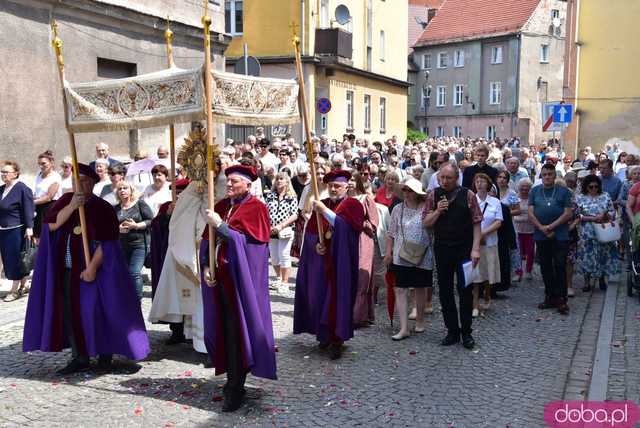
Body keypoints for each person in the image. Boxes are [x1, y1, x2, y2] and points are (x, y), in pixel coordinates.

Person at [23, 163, 149, 374]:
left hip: (96, 271)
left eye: (82, 181)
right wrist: (72, 206)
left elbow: (107, 242)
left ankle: (104, 355)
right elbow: (51, 225)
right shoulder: (65, 201)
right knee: (72, 314)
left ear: (91, 183)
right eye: (74, 180)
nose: (77, 184)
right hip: (68, 270)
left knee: (98, 312)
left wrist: (91, 268)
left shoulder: (102, 207)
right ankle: (79, 356)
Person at [200, 164, 276, 412]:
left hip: (241, 284)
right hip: (219, 280)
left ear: (248, 184)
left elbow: (248, 245)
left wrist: (221, 226)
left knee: (237, 333)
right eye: (227, 181)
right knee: (224, 331)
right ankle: (232, 378)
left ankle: (235, 385)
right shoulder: (221, 205)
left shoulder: (257, 208)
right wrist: (206, 267)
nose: (229, 185)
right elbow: (206, 242)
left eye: (234, 181)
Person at [294, 170, 364, 359]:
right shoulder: (322, 204)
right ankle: (323, 335)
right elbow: (311, 234)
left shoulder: (353, 205)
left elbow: (347, 228)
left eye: (337, 186)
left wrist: (324, 212)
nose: (333, 189)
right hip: (322, 264)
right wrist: (316, 244)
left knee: (338, 299)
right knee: (320, 297)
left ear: (346, 186)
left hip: (341, 264)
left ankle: (337, 340)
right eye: (331, 186)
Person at [424, 163, 482, 349]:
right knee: (445, 290)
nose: (445, 181)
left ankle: (466, 331)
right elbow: (426, 222)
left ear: (456, 178)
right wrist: (438, 211)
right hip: (442, 248)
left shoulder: (468, 195)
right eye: (442, 177)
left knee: (465, 290)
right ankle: (452, 330)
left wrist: (475, 249)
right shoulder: (433, 195)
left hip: (464, 249)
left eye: (449, 178)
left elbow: (476, 223)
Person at [384, 177, 433, 340]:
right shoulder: (398, 209)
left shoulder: (426, 208)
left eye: (410, 190)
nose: (406, 193)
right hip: (401, 254)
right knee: (400, 289)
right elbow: (390, 233)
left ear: (417, 193)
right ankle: (404, 327)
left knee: (420, 288)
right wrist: (389, 253)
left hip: (422, 254)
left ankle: (420, 320)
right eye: (404, 190)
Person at [527, 164, 573, 314]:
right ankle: (550, 296)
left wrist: (551, 226)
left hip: (560, 234)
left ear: (555, 176)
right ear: (541, 176)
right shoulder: (535, 191)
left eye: (550, 174)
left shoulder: (564, 191)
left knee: (560, 265)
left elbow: (567, 213)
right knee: (545, 266)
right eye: (545, 174)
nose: (547, 177)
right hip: (541, 234)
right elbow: (530, 213)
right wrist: (542, 228)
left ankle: (561, 299)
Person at [575, 175, 619, 291]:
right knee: (587, 256)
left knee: (603, 255)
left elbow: (612, 212)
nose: (594, 188)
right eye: (591, 186)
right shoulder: (580, 198)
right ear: (586, 187)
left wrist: (605, 215)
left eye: (596, 186)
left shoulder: (605, 196)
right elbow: (576, 215)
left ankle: (602, 279)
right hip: (587, 232)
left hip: (603, 230)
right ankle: (586, 282)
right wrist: (591, 218)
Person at [0, 161, 34, 302]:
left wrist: (29, 227)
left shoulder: (22, 189)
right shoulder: (1, 189)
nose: (3, 175)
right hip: (3, 229)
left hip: (16, 230)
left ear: (15, 174)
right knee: (9, 260)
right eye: (2, 172)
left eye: (6, 172)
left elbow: (28, 209)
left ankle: (14, 291)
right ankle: (23, 286)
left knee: (15, 260)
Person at [114, 181, 154, 300]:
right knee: (124, 273)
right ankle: (126, 299)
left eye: (125, 188)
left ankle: (137, 299)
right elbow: (110, 226)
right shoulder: (115, 208)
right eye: (120, 189)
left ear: (131, 190)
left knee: (134, 272)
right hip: (122, 245)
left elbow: (150, 221)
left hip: (139, 245)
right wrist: (118, 229)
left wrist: (136, 226)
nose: (122, 190)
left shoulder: (140, 204)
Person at [149, 179, 189, 299]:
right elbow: (156, 226)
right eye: (176, 193)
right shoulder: (167, 206)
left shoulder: (193, 206)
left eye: (181, 192)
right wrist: (167, 215)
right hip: (168, 248)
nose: (178, 195)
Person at [470, 174, 503, 317]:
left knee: (488, 272)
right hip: (475, 243)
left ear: (488, 184)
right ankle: (475, 303)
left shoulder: (495, 202)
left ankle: (487, 295)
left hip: (490, 242)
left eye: (482, 181)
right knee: (476, 274)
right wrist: (477, 235)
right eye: (477, 181)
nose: (479, 184)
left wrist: (483, 233)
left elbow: (498, 221)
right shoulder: (471, 200)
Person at [350, 173, 380, 328]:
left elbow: (374, 223)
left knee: (362, 277)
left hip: (362, 240)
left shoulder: (365, 199)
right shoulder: (343, 200)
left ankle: (359, 315)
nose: (349, 183)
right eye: (347, 180)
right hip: (347, 241)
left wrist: (359, 221)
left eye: (351, 180)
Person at [265, 172, 298, 292]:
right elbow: (265, 211)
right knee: (274, 257)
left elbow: (294, 214)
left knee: (284, 255)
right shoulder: (270, 195)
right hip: (271, 230)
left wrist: (281, 226)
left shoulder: (291, 197)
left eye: (281, 179)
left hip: (285, 229)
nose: (279, 181)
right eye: (277, 179)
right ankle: (279, 278)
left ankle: (285, 282)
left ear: (287, 181)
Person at [497, 170, 522, 282]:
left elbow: (518, 210)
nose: (501, 179)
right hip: (496, 226)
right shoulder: (493, 192)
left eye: (504, 178)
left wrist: (504, 214)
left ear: (507, 181)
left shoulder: (511, 193)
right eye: (500, 177)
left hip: (508, 225)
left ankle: (516, 271)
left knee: (513, 248)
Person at [33, 150, 62, 240]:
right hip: (39, 208)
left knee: (47, 236)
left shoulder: (55, 177)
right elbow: (37, 192)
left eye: (43, 163)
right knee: (38, 236)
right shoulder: (39, 174)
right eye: (39, 164)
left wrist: (31, 202)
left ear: (51, 162)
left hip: (50, 208)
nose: (41, 166)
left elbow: (49, 197)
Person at [513, 178, 535, 281]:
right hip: (517, 228)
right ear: (519, 188)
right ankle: (518, 272)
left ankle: (528, 271)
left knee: (530, 251)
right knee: (518, 252)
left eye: (527, 188)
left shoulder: (533, 198)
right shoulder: (515, 198)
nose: (525, 190)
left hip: (530, 229)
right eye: (522, 188)